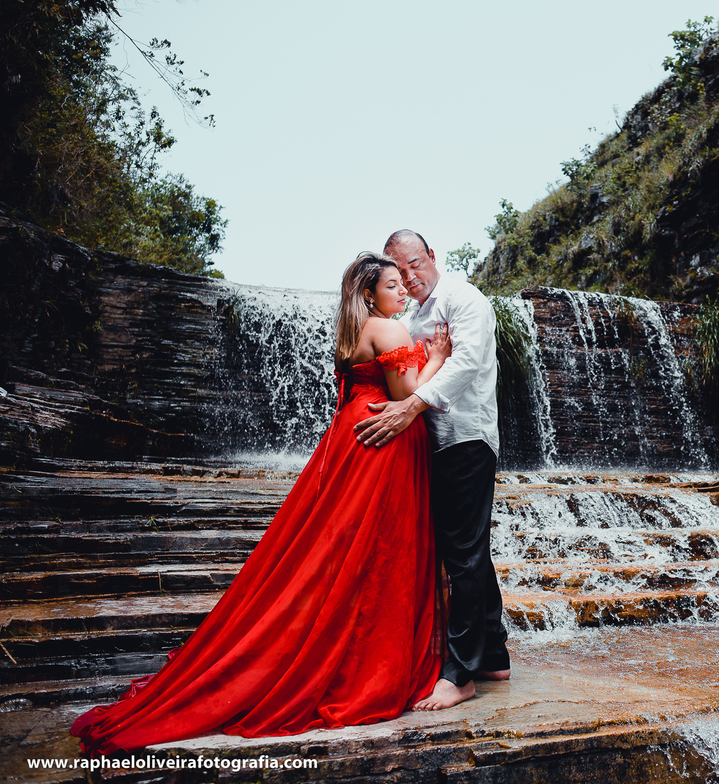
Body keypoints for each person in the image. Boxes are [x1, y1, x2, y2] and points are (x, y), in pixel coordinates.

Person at [70, 253, 451, 755]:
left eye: (405, 284)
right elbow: (406, 395)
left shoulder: (355, 333)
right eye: (394, 285)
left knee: (335, 550)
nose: (403, 292)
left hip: (350, 437)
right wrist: (440, 358)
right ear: (368, 294)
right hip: (386, 444)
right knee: (378, 552)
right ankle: (369, 660)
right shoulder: (391, 331)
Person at [355, 229, 510, 711]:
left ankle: (459, 674)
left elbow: (465, 363)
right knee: (466, 551)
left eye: (416, 265)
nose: (409, 277)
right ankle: (493, 654)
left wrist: (412, 406)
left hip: (466, 440)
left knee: (461, 555)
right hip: (433, 447)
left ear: (432, 257)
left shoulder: (464, 299)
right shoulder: (412, 314)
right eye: (399, 272)